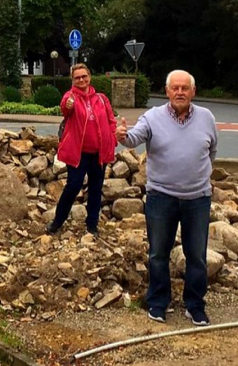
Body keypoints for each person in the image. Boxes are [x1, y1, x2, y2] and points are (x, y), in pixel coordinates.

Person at [116, 69, 217, 327]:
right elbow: (134, 138)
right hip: (161, 197)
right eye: (175, 88)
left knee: (197, 255)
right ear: (167, 91)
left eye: (185, 88)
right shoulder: (153, 117)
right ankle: (158, 303)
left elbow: (211, 151)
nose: (180, 92)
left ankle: (195, 306)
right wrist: (123, 136)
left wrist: (197, 176)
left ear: (193, 91)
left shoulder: (207, 118)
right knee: (158, 254)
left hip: (197, 199)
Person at [47, 63, 117, 236]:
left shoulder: (101, 98)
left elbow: (111, 120)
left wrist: (113, 138)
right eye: (77, 77)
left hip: (99, 153)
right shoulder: (70, 96)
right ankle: (57, 222)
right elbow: (65, 108)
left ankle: (92, 225)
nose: (81, 80)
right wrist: (68, 105)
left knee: (96, 188)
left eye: (84, 76)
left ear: (89, 77)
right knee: (73, 186)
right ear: (73, 80)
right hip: (79, 154)